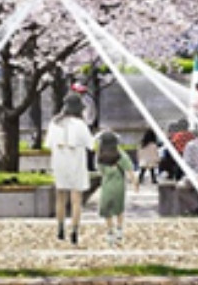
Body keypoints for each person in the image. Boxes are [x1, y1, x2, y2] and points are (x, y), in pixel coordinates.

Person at [46, 92, 92, 245]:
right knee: (76, 199)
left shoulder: (54, 123)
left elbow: (48, 144)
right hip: (76, 161)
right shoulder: (80, 124)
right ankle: (74, 230)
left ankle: (60, 227)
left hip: (59, 161)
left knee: (60, 197)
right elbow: (90, 144)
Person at [94, 130, 133, 246]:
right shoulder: (120, 154)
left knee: (106, 209)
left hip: (106, 184)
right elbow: (129, 169)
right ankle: (120, 229)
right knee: (119, 208)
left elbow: (99, 170)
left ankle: (110, 231)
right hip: (120, 184)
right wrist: (135, 182)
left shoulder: (100, 155)